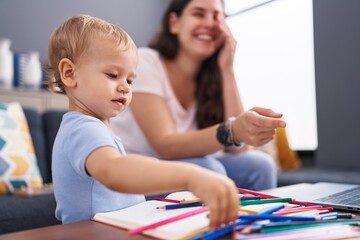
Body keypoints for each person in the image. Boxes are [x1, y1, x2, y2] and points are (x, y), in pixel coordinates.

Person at [48, 15, 240, 229]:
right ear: (69, 73)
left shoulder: (95, 127)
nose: (126, 87)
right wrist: (190, 176)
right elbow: (114, 170)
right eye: (112, 75)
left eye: (130, 80)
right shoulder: (82, 128)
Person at [110, 0, 286, 191]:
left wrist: (227, 69)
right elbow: (165, 145)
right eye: (199, 14)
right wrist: (233, 130)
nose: (210, 23)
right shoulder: (145, 61)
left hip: (182, 166)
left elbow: (240, 148)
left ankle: (255, 221)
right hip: (140, 173)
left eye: (217, 16)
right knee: (209, 170)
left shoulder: (212, 77)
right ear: (174, 23)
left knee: (261, 166)